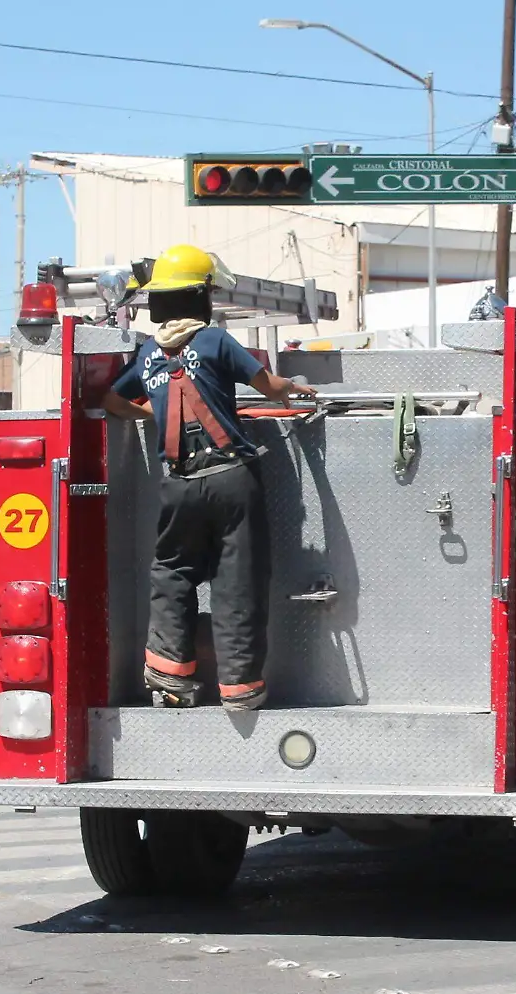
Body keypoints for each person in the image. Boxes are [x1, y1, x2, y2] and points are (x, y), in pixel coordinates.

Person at [101, 244, 317, 712]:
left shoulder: (147, 356)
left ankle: (169, 676)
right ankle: (240, 690)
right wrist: (295, 389)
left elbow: (112, 404)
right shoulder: (216, 342)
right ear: (202, 297)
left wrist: (156, 416)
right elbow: (269, 386)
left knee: (172, 573)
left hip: (178, 484)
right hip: (231, 478)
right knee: (235, 581)